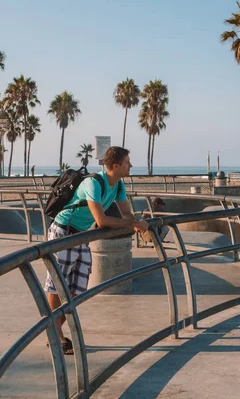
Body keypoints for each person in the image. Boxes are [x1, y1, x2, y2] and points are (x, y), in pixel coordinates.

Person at [44, 146, 149, 355]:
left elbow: (126, 214)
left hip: (81, 235)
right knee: (57, 283)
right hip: (63, 232)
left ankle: (54, 328)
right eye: (128, 161)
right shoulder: (93, 183)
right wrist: (132, 225)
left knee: (77, 286)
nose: (131, 165)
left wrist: (137, 222)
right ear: (116, 166)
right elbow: (101, 221)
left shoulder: (118, 185)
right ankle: (55, 332)